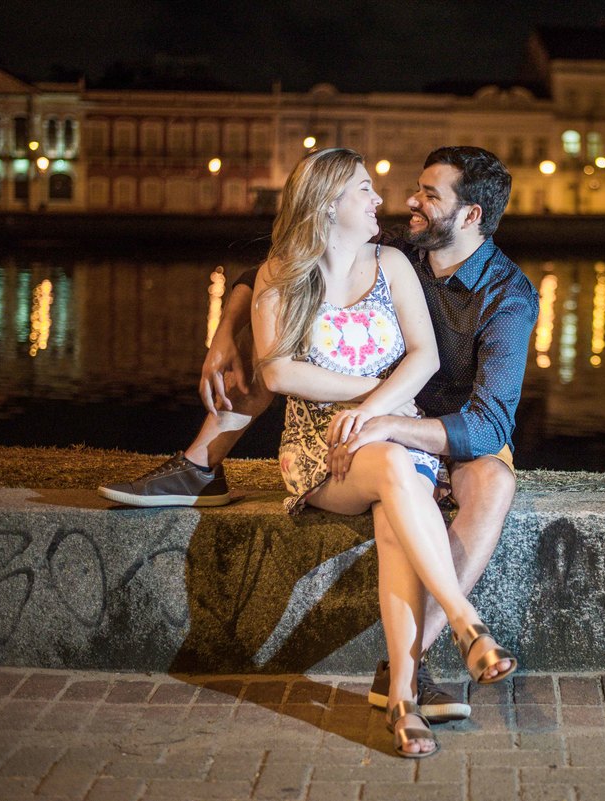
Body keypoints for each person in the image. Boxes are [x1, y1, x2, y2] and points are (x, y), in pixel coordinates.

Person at [98, 145, 538, 734]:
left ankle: (413, 660)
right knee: (282, 360)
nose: (408, 200)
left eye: (430, 195)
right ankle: (199, 466)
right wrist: (226, 328)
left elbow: (487, 425)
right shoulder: (404, 246)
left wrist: (384, 419)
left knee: (492, 481)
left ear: (469, 217)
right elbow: (282, 266)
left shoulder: (507, 295)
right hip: (363, 419)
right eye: (414, 188)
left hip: (436, 425)